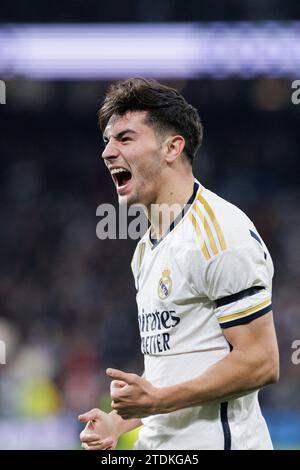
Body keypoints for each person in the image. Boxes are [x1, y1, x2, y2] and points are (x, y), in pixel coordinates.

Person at [79, 78, 279, 450]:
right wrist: (118, 421)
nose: (107, 152)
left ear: (172, 147)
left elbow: (262, 361)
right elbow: (172, 369)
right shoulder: (147, 249)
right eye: (107, 141)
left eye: (124, 139)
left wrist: (158, 401)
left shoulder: (220, 233)